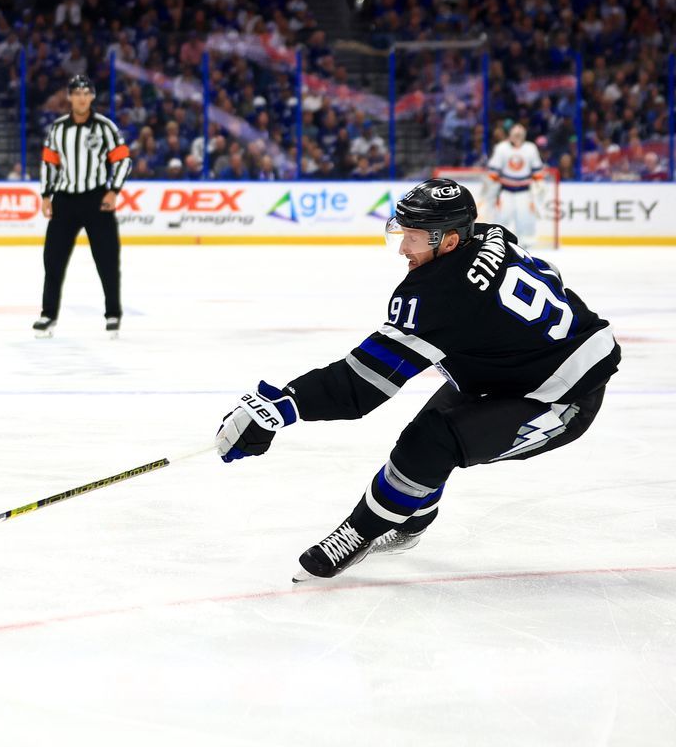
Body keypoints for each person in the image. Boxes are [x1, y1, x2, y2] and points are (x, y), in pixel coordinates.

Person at [215, 179, 620, 582]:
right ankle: (410, 520)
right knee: (422, 445)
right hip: (512, 369)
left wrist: (284, 406)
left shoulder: (442, 294)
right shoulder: (489, 234)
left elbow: (362, 384)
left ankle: (361, 532)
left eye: (415, 237)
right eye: (403, 232)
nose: (405, 248)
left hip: (561, 396)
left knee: (432, 441)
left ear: (449, 241)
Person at [34, 74, 133, 338]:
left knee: (107, 260)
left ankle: (113, 314)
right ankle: (48, 315)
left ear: (91, 97)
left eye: (85, 92)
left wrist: (113, 191)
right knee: (52, 260)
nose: (80, 97)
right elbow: (49, 163)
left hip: (97, 200)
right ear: (69, 97)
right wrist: (46, 195)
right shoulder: (58, 128)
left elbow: (123, 160)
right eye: (76, 93)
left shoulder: (104, 127)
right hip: (65, 200)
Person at [487, 123, 546, 244]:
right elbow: (493, 172)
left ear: (524, 135)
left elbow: (537, 171)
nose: (518, 137)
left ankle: (525, 246)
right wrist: (491, 189)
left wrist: (539, 186)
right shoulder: (501, 148)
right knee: (501, 219)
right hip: (506, 191)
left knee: (525, 219)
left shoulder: (530, 148)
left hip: (524, 192)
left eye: (520, 134)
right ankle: (498, 244)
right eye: (516, 134)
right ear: (510, 135)